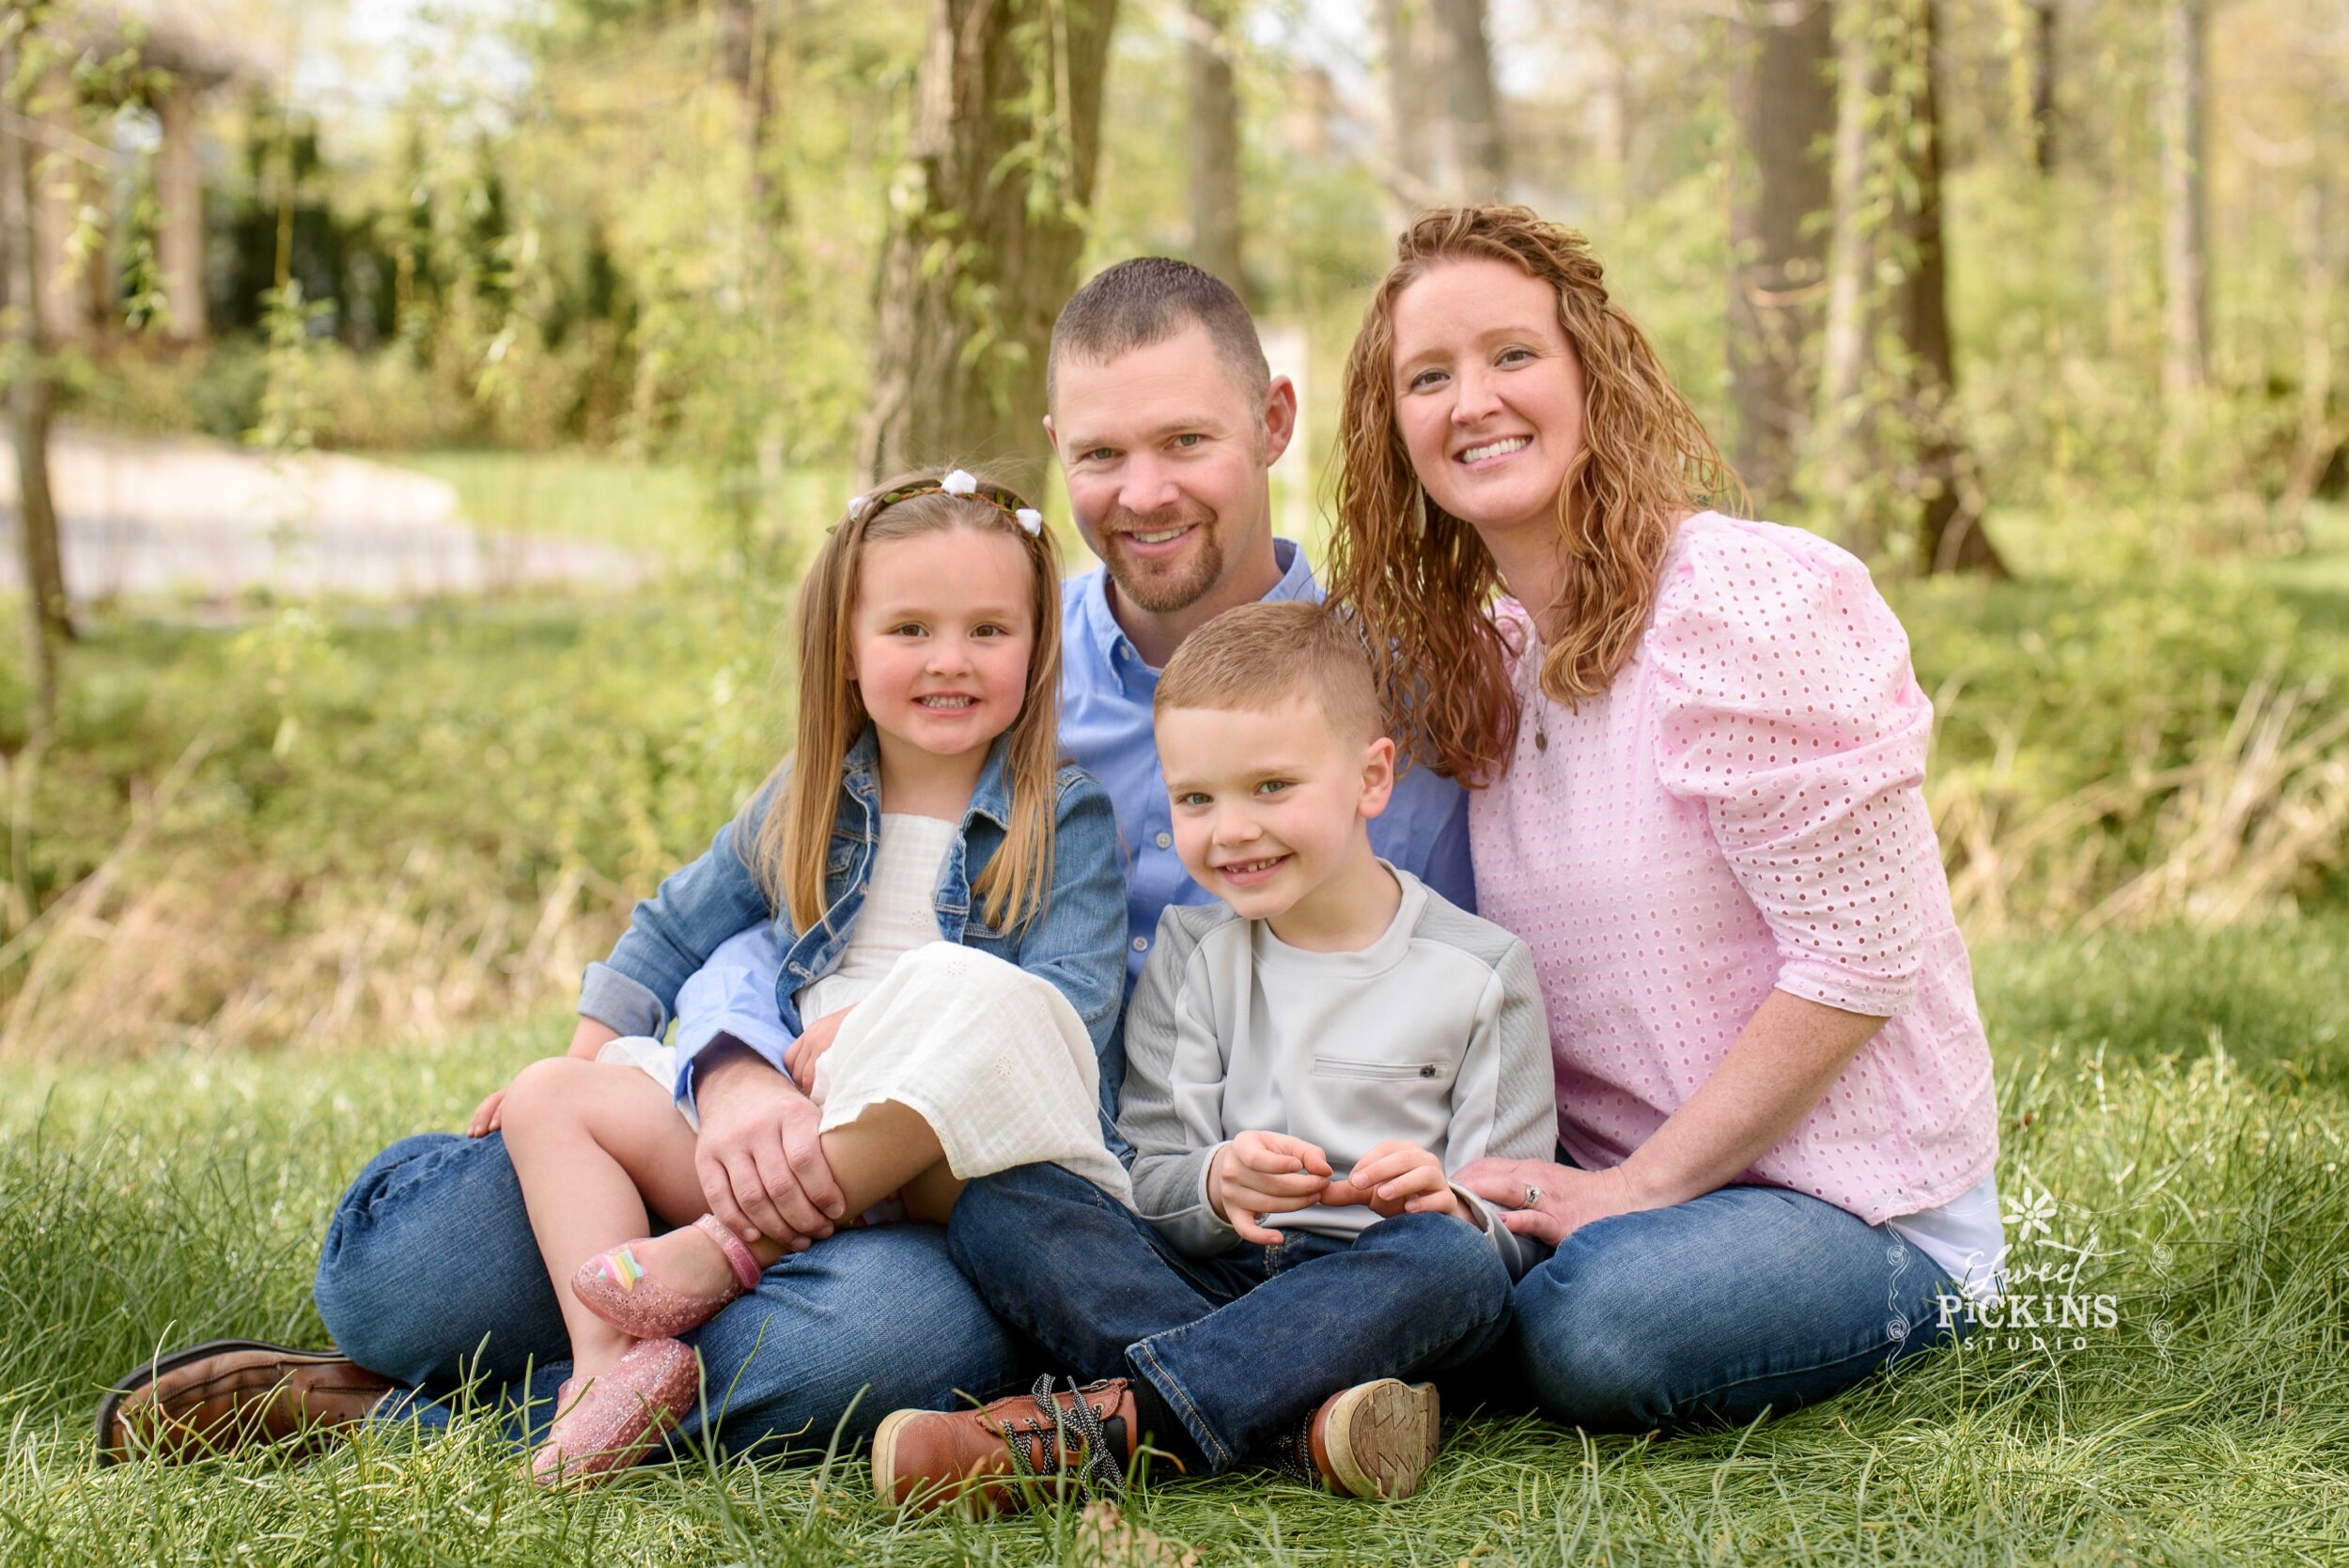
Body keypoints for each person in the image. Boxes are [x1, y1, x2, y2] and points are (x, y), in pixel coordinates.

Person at [98, 258, 1476, 1469]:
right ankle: (554, 1350)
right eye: (1105, 454)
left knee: (868, 1347)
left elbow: (1416, 986)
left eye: (1190, 440)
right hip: (784, 1122)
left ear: (1274, 423)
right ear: (1058, 454)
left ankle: (409, 1419)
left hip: (1013, 1197)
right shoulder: (989, 637)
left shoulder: (1375, 700)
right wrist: (729, 1059)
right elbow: (783, 901)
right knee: (409, 1269)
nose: (1148, 491)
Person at [1322, 205, 2002, 1434]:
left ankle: (1405, 1353)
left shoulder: (1745, 602)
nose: (1473, 400)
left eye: (1513, 355)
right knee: (1378, 1225)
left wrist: (1644, 1186)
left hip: (1845, 1205)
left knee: (1600, 1327)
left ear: (1592, 370)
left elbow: (1860, 961)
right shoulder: (1484, 659)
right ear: (1395, 431)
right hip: (1600, 1188)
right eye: (1429, 377)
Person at [482, 468, 1130, 1484]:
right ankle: (607, 1373)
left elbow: (1072, 1012)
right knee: (546, 1096)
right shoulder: (809, 796)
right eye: (909, 629)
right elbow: (671, 923)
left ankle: (727, 1246)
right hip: (786, 1104)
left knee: (991, 1016)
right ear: (844, 648)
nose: (949, 661)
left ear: (1038, 646)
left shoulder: (1065, 816)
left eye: (988, 633)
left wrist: (895, 1017)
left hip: (938, 1148)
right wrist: (593, 1050)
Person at [870, 601, 1554, 1513]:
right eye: (1196, 798)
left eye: (1271, 787)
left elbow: (1511, 1218)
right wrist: (1218, 1183)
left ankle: (1087, 1433)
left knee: (1452, 1263)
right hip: (1222, 1275)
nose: (1230, 830)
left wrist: (1449, 1199)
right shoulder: (1193, 953)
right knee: (1005, 1204)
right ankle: (1309, 1427)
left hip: (1387, 1292)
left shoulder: (1481, 969)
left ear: (1371, 776)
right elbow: (1146, 1177)